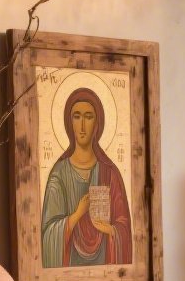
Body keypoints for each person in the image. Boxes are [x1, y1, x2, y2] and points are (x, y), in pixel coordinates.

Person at [41, 86, 133, 268]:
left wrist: (110, 230)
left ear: (97, 123)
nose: (82, 126)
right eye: (77, 117)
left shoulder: (110, 173)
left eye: (88, 117)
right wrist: (77, 214)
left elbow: (124, 229)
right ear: (69, 123)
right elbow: (47, 234)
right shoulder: (59, 174)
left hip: (105, 267)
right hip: (68, 271)